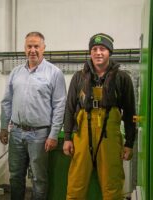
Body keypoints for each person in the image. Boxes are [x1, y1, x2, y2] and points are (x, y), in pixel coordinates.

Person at [63, 33, 136, 200]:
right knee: (76, 184)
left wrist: (129, 143)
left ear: (109, 52)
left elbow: (130, 113)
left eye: (102, 49)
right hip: (82, 136)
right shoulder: (79, 77)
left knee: (112, 185)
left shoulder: (122, 78)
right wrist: (67, 137)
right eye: (94, 49)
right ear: (90, 53)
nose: (98, 52)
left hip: (110, 137)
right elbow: (69, 108)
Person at [0, 31, 67, 200]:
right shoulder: (15, 72)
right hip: (16, 131)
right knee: (15, 176)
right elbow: (6, 101)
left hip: (40, 134)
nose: (33, 50)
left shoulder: (54, 73)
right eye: (29, 46)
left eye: (36, 46)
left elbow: (60, 106)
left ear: (43, 48)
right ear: (25, 49)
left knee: (39, 178)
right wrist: (3, 127)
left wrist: (53, 134)